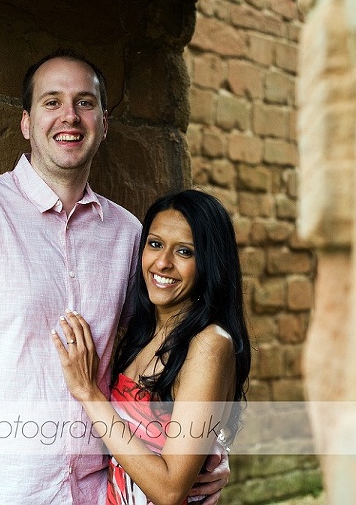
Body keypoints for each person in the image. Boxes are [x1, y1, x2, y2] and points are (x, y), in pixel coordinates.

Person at [0, 50, 229, 505]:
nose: (70, 115)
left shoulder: (130, 236)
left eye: (84, 102)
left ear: (103, 123)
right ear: (27, 122)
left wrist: (206, 450)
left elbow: (167, 348)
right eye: (52, 102)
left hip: (90, 495)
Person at [52, 190, 251, 505]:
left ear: (210, 262)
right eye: (155, 244)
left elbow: (170, 491)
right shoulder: (142, 332)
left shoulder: (209, 343)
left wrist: (89, 394)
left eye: (184, 252)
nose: (163, 262)